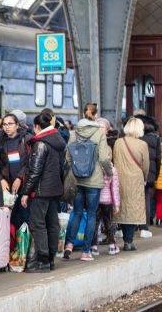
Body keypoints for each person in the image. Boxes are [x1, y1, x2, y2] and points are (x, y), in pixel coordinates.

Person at [64, 103, 113, 261]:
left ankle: (69, 245)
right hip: (94, 180)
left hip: (77, 180)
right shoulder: (99, 134)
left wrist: (74, 169)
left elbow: (67, 158)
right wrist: (110, 173)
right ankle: (86, 252)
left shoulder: (73, 133)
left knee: (77, 212)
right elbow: (105, 158)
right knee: (91, 214)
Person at [20, 112, 65, 272]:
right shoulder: (58, 141)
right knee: (52, 223)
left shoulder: (40, 143)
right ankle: (51, 258)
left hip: (40, 190)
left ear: (36, 126)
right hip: (55, 189)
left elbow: (35, 171)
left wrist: (26, 192)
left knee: (37, 224)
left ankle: (42, 260)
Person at [0, 113, 32, 230]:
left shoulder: (26, 140)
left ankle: (24, 246)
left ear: (17, 125)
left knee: (25, 218)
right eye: (5, 124)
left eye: (10, 124)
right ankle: (12, 245)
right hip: (7, 189)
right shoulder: (0, 142)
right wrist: (1, 180)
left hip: (24, 186)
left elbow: (30, 163)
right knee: (11, 220)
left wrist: (19, 178)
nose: (7, 127)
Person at [113, 117, 150, 251]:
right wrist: (144, 178)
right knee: (133, 209)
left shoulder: (118, 142)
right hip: (135, 180)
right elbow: (145, 165)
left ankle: (123, 238)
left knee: (122, 208)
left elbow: (115, 160)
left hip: (120, 178)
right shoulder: (142, 145)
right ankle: (128, 241)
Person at [91, 117, 121, 255]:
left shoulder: (94, 166)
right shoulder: (112, 170)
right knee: (109, 222)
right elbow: (114, 189)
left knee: (95, 222)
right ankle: (112, 245)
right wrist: (117, 204)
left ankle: (94, 247)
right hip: (107, 200)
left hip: (95, 196)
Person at [134, 114, 160, 237]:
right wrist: (155, 176)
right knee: (146, 199)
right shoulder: (156, 138)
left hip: (136, 172)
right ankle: (145, 226)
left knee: (133, 198)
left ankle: (133, 225)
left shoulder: (137, 137)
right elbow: (158, 158)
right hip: (150, 173)